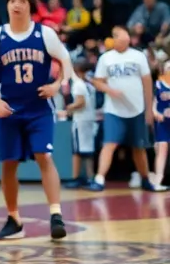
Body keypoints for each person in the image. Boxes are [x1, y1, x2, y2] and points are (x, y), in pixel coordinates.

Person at [0, 0, 81, 241]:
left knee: (43, 155)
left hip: (38, 109)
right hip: (10, 110)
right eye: (12, 1)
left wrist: (57, 85)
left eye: (22, 1)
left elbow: (66, 60)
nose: (16, 5)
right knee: (8, 164)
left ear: (30, 7)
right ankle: (14, 220)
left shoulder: (44, 34)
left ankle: (56, 215)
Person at [90, 26, 161, 192]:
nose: (119, 39)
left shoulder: (138, 56)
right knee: (110, 144)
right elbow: (97, 81)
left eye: (121, 36)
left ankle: (145, 179)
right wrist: (110, 90)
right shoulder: (106, 58)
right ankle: (99, 179)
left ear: (127, 38)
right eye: (115, 36)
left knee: (139, 147)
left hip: (137, 109)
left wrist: (149, 108)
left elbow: (147, 83)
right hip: (114, 110)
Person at [60, 58, 99, 191]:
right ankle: (89, 177)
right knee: (88, 150)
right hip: (90, 120)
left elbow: (80, 102)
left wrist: (69, 107)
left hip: (80, 120)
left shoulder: (78, 84)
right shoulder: (90, 84)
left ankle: (76, 177)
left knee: (77, 151)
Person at [153, 59, 170, 187]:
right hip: (162, 122)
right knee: (162, 148)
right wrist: (156, 113)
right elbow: (153, 104)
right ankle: (159, 177)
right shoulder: (158, 85)